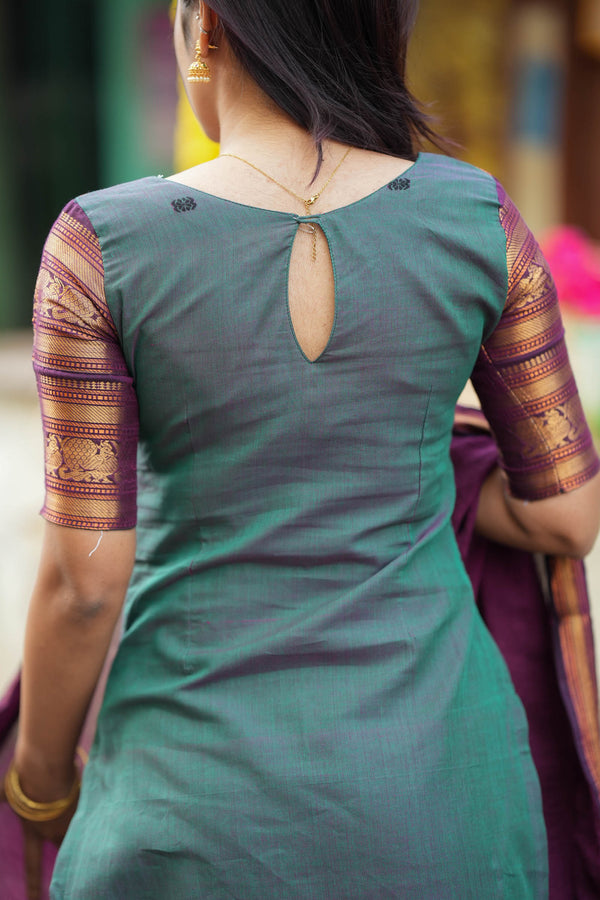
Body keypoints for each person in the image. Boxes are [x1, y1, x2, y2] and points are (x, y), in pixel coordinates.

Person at [3, 1, 600, 897]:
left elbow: (86, 585)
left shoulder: (97, 249)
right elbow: (566, 514)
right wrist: (429, 476)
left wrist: (39, 786)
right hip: (445, 802)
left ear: (202, 24)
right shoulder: (482, 220)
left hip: (190, 815)